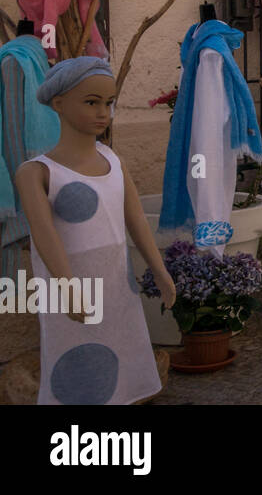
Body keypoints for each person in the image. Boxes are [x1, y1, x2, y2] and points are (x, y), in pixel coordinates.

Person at [14, 57, 176, 405]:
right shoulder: (37, 172)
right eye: (91, 102)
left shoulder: (113, 159)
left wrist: (159, 270)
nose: (103, 112)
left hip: (117, 285)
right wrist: (67, 287)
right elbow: (44, 236)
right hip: (73, 285)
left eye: (108, 102)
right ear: (58, 104)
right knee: (76, 364)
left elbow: (134, 220)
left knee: (122, 359)